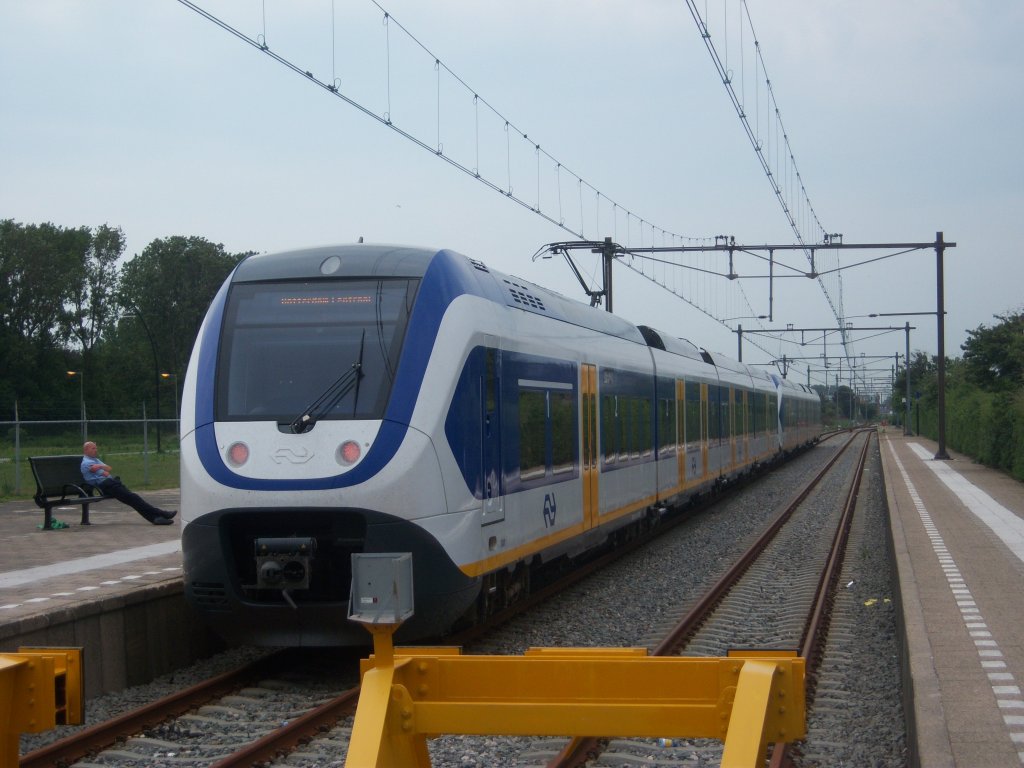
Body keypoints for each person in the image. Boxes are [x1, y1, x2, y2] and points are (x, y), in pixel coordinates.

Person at [80, 441, 177, 525]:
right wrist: (102, 467)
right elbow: (105, 472)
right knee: (133, 498)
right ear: (86, 450)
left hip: (110, 484)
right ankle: (161, 514)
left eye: (96, 448)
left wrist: (100, 466)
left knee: (133, 498)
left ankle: (157, 518)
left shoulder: (95, 460)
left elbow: (109, 469)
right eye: (93, 448)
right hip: (105, 486)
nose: (96, 450)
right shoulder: (87, 463)